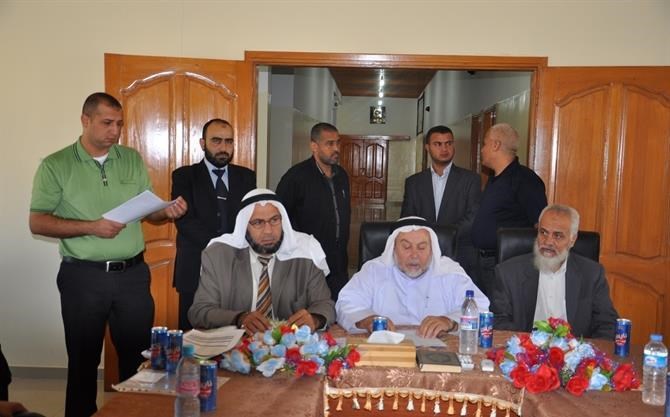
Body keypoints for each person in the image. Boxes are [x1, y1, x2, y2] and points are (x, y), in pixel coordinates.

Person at [29, 92, 187, 417]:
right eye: (107, 123)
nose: (115, 131)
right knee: (83, 359)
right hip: (82, 277)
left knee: (137, 358)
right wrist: (92, 227)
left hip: (133, 277)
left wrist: (165, 211)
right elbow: (38, 221)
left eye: (119, 124)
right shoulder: (56, 165)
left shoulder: (130, 158)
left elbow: (148, 212)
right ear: (85, 120)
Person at [188, 189, 335, 334]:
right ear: (244, 225)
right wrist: (239, 318)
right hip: (235, 344)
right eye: (258, 223)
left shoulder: (306, 252)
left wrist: (315, 319)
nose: (268, 231)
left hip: (290, 344)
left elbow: (325, 304)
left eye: (274, 220)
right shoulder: (218, 255)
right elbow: (199, 312)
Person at [336, 217, 489, 337]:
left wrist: (450, 322)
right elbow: (346, 304)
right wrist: (367, 320)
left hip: (438, 354)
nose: (414, 255)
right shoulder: (373, 271)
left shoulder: (450, 273)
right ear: (393, 248)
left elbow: (480, 309)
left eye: (422, 247)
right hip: (387, 348)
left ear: (432, 249)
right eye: (406, 247)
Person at [171, 118, 256, 330]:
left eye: (229, 141)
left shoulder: (247, 177)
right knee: (192, 333)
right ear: (203, 143)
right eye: (216, 141)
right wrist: (222, 246)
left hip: (237, 267)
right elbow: (185, 221)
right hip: (195, 266)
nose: (223, 147)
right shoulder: (184, 176)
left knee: (233, 331)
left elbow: (250, 219)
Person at [490, 204, 618, 339]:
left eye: (558, 236)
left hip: (574, 350)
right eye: (543, 232)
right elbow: (499, 322)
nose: (548, 242)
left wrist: (586, 349)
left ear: (572, 240)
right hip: (526, 348)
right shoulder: (508, 273)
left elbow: (608, 324)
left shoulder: (592, 274)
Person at [276, 122, 351, 301]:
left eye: (338, 143)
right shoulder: (295, 177)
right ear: (314, 146)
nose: (336, 148)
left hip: (339, 258)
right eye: (329, 144)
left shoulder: (341, 175)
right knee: (312, 306)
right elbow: (280, 217)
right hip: (308, 258)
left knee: (338, 304)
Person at [471, 123, 547, 296]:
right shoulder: (494, 179)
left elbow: (540, 224)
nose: (482, 150)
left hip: (506, 263)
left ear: (496, 145)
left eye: (485, 144)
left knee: (501, 309)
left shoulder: (525, 180)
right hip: (484, 262)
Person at [401, 125, 481, 279]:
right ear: (427, 148)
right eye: (438, 144)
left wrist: (443, 237)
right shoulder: (414, 182)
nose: (444, 149)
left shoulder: (471, 180)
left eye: (448, 143)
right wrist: (426, 240)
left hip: (459, 254)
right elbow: (408, 218)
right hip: (422, 254)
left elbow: (472, 217)